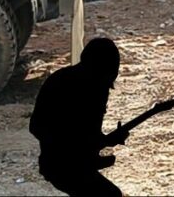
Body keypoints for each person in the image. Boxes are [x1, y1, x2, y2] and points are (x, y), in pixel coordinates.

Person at [29, 38, 128, 197]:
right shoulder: (63, 83)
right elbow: (36, 127)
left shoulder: (97, 86)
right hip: (61, 165)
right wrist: (70, 147)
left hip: (77, 165)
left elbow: (89, 134)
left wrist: (107, 140)